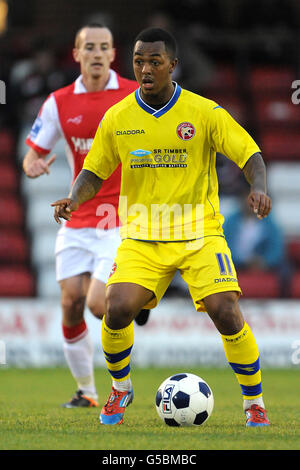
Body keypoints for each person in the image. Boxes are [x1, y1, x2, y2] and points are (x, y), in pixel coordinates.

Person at [52, 27, 271, 427]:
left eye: (155, 61)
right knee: (115, 309)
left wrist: (259, 186)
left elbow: (250, 153)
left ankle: (253, 401)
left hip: (199, 233)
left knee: (225, 310)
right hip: (141, 237)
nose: (145, 68)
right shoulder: (118, 117)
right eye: (138, 61)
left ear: (173, 64)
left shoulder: (204, 112)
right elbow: (93, 173)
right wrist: (74, 199)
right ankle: (120, 391)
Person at [22, 23, 150, 409]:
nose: (96, 53)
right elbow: (33, 153)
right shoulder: (58, 102)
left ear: (114, 54)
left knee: (99, 305)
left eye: (104, 47)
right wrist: (33, 166)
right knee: (70, 302)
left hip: (119, 218)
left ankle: (140, 301)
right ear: (76, 54)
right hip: (78, 217)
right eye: (88, 47)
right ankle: (87, 392)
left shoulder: (134, 95)